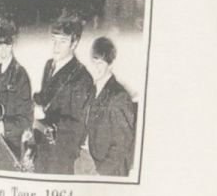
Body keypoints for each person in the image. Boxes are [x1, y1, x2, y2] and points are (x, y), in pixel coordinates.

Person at [30, 12, 94, 176]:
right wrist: (32, 101)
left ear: (74, 43)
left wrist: (46, 123)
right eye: (54, 40)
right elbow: (47, 98)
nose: (56, 47)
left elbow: (78, 127)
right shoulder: (50, 65)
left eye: (63, 41)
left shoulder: (82, 78)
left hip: (62, 155)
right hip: (42, 144)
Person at [0, 18, 33, 172]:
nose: (2, 51)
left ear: (13, 43)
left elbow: (26, 120)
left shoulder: (20, 75)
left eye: (7, 45)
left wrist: (2, 127)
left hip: (12, 149)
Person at [85, 36, 138, 176]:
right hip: (91, 160)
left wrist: (100, 173)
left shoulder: (119, 96)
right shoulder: (93, 89)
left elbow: (121, 145)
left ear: (111, 64)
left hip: (109, 171)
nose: (95, 67)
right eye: (93, 62)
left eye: (100, 63)